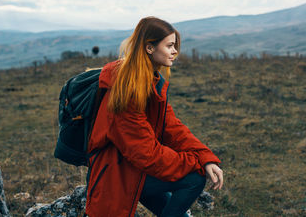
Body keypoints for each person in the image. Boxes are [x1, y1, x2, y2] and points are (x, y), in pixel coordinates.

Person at [85, 16, 223, 217]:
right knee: (194, 178)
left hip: (133, 168)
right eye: (169, 46)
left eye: (175, 45)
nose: (175, 51)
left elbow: (172, 127)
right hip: (117, 175)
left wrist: (205, 157)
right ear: (150, 48)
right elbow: (146, 153)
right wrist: (196, 163)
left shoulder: (150, 80)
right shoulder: (127, 90)